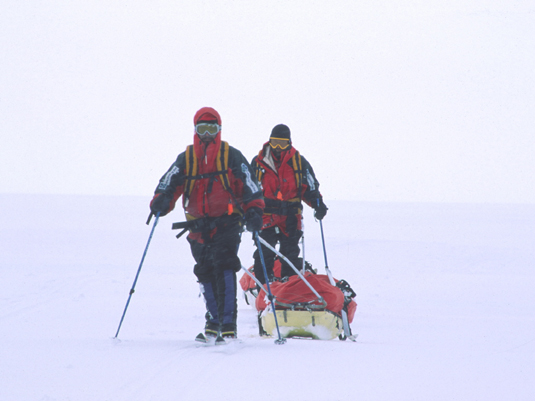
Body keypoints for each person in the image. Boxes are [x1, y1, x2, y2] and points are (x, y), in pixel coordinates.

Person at [149, 107, 264, 340]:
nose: (207, 134)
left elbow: (250, 185)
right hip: (196, 227)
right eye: (202, 128)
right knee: (205, 271)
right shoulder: (186, 159)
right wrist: (161, 201)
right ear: (195, 130)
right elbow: (168, 183)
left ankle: (228, 324)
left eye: (212, 128)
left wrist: (254, 211)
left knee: (225, 265)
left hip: (228, 223)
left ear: (219, 130)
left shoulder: (231, 155)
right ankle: (213, 320)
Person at [251, 124, 327, 285]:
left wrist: (317, 203)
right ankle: (264, 289)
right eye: (275, 142)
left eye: (282, 143)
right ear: (269, 141)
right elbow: (248, 189)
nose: (278, 148)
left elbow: (310, 187)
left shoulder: (298, 162)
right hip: (266, 216)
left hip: (291, 217)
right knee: (264, 253)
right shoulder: (258, 163)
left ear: (289, 143)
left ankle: (289, 287)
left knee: (290, 254)